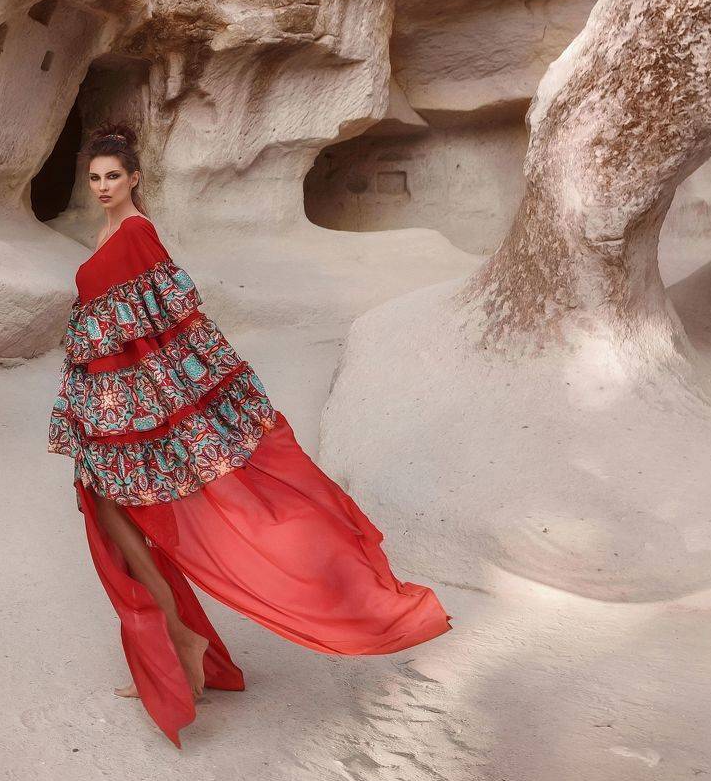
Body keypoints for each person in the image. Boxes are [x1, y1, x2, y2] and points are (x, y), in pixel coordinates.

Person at [47, 121, 451, 747]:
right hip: (110, 397)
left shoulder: (137, 233)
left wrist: (183, 399)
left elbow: (173, 322)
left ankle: (184, 639)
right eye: (95, 178)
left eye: (114, 177)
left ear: (136, 181)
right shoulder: (107, 233)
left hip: (138, 402)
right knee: (102, 502)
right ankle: (178, 639)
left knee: (148, 503)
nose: (103, 187)